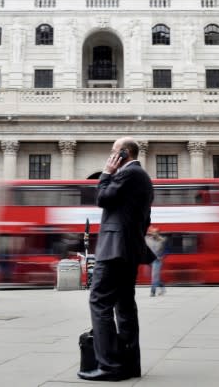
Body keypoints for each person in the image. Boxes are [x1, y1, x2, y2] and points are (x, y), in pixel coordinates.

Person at [78, 138, 154, 382]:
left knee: (99, 302)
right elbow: (146, 220)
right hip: (128, 249)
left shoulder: (127, 173)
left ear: (124, 153)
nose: (110, 156)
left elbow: (102, 198)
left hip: (113, 249)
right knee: (124, 306)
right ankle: (129, 364)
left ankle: (109, 365)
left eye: (113, 151)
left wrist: (106, 173)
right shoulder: (142, 177)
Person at [145, 227, 166, 297]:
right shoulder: (148, 239)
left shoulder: (162, 241)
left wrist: (161, 257)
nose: (154, 234)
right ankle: (163, 288)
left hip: (157, 261)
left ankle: (152, 292)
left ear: (158, 233)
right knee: (155, 277)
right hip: (150, 260)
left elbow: (165, 251)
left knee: (154, 276)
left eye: (155, 232)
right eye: (153, 232)